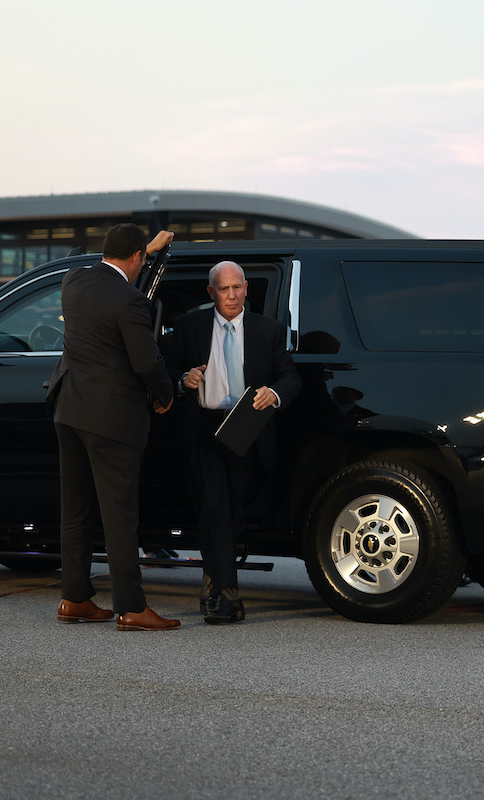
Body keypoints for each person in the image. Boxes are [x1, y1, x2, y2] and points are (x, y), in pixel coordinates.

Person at [48, 223, 181, 631]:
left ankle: (75, 598)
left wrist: (149, 246)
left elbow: (104, 271)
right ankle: (131, 607)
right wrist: (167, 393)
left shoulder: (75, 281)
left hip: (69, 410)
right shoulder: (131, 301)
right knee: (120, 515)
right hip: (111, 419)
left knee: (76, 510)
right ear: (138, 257)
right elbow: (146, 361)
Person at [168, 261, 300, 624]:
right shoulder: (189, 326)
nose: (232, 295)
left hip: (248, 431)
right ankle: (226, 596)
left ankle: (214, 584)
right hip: (205, 431)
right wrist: (183, 380)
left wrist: (273, 393)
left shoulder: (268, 330)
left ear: (246, 289)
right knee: (215, 509)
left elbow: (291, 377)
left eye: (237, 288)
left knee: (231, 513)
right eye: (224, 289)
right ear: (211, 292)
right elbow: (167, 370)